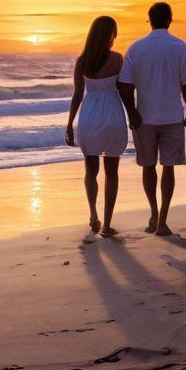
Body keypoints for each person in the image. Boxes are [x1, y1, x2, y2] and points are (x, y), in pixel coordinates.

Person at [118, 2, 186, 236]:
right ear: (170, 20)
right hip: (172, 115)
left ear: (149, 20)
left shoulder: (136, 48)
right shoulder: (180, 47)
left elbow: (125, 85)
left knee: (148, 166)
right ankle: (162, 220)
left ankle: (153, 212)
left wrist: (132, 112)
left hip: (145, 117)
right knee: (168, 167)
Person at [65, 16, 125, 237]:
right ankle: (107, 224)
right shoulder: (117, 59)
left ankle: (93, 215)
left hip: (90, 116)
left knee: (91, 170)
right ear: (110, 35)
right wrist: (134, 114)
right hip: (112, 115)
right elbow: (125, 89)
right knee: (112, 172)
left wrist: (69, 124)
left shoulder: (83, 61)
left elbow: (77, 95)